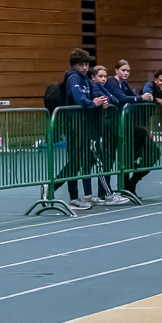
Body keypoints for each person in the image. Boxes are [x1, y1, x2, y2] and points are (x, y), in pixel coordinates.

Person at [50, 49, 108, 211]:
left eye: (86, 64)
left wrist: (102, 101)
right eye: (81, 64)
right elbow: (80, 98)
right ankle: (68, 195)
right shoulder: (73, 78)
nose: (84, 67)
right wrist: (93, 103)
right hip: (73, 124)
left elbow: (94, 94)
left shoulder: (85, 79)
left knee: (79, 161)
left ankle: (61, 190)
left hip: (83, 125)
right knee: (75, 161)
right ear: (74, 65)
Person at [105, 60, 158, 196]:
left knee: (139, 139)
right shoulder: (112, 82)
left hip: (123, 121)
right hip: (113, 122)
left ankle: (129, 178)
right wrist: (141, 97)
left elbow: (132, 96)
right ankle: (130, 162)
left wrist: (144, 97)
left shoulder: (124, 83)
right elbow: (122, 98)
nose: (126, 73)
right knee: (140, 133)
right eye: (123, 70)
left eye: (128, 71)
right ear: (116, 70)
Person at [87, 66, 130, 206]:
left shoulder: (102, 88)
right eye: (100, 76)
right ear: (93, 77)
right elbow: (108, 99)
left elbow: (114, 99)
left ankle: (102, 194)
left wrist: (108, 99)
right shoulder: (94, 87)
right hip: (93, 131)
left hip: (101, 130)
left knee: (100, 163)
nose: (103, 79)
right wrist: (105, 100)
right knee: (97, 164)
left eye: (105, 76)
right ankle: (107, 195)